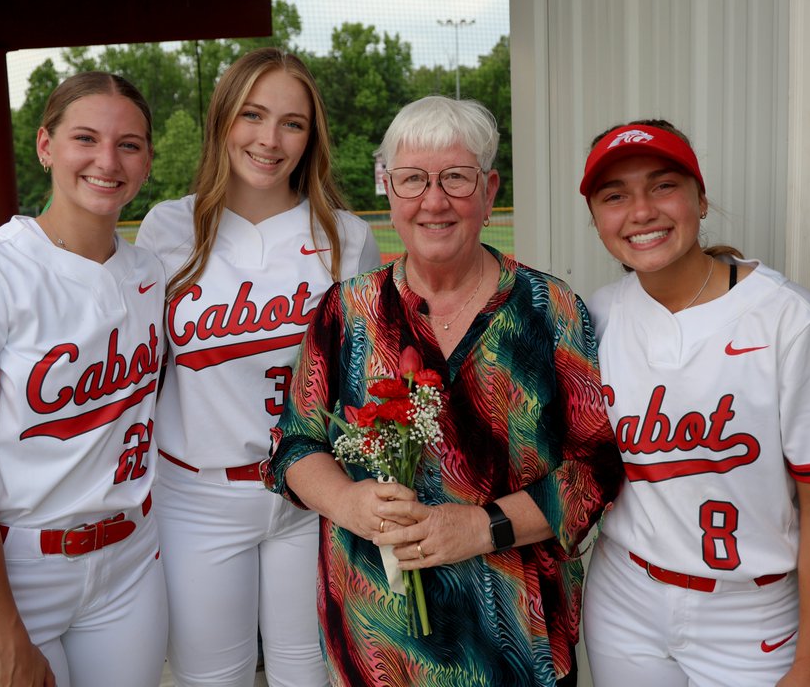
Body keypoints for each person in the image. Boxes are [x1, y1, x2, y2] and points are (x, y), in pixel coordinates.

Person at [265, 95, 624, 687]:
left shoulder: (550, 310)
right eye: (412, 180)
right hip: (379, 641)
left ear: (489, 190)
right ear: (388, 189)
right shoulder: (345, 312)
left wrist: (483, 528)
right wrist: (349, 503)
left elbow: (596, 466)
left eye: (456, 178)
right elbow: (295, 446)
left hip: (516, 642)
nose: (434, 201)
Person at [578, 120, 810, 687]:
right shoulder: (594, 316)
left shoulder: (794, 322)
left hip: (751, 611)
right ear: (597, 218)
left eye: (663, 185)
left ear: (701, 198)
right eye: (614, 195)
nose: (641, 211)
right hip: (624, 592)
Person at [136, 47, 381, 687]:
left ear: (311, 136)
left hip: (312, 493)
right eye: (253, 115)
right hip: (198, 491)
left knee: (308, 673)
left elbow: (362, 385)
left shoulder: (347, 236)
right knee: (212, 676)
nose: (270, 140)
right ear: (223, 119)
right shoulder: (168, 228)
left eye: (292, 123)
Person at [0, 72, 168, 687]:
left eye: (129, 144)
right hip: (12, 570)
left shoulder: (149, 272)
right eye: (86, 138)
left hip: (130, 562)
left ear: (147, 160)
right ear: (45, 145)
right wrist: (4, 642)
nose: (107, 161)